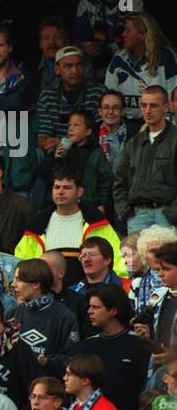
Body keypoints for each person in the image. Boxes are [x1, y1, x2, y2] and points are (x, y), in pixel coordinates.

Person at [14, 170, 123, 278]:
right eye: (56, 187)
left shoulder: (97, 222)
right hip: (47, 291)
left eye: (67, 188)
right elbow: (23, 262)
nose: (60, 192)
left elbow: (116, 258)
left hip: (90, 290)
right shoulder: (36, 225)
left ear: (79, 192)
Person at [66, 285, 149, 410]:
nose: (89, 312)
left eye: (96, 307)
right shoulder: (88, 345)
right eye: (89, 307)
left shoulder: (137, 344)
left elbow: (145, 386)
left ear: (113, 310)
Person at [113, 85, 177, 233]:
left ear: (166, 106)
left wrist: (173, 215)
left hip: (167, 216)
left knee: (166, 257)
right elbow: (119, 181)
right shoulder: (133, 143)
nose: (148, 111)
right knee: (136, 257)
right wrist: (126, 213)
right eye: (144, 105)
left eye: (153, 106)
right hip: (137, 216)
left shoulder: (175, 139)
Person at [103, 14, 177, 124]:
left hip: (161, 125)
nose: (123, 34)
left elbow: (174, 97)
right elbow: (109, 97)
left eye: (128, 31)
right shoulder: (119, 59)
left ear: (143, 34)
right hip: (127, 126)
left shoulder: (166, 57)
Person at [11, 258, 80, 369]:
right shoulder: (13, 313)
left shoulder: (64, 317)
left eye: (18, 279)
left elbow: (71, 357)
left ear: (36, 284)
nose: (13, 284)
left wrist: (47, 362)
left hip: (50, 383)